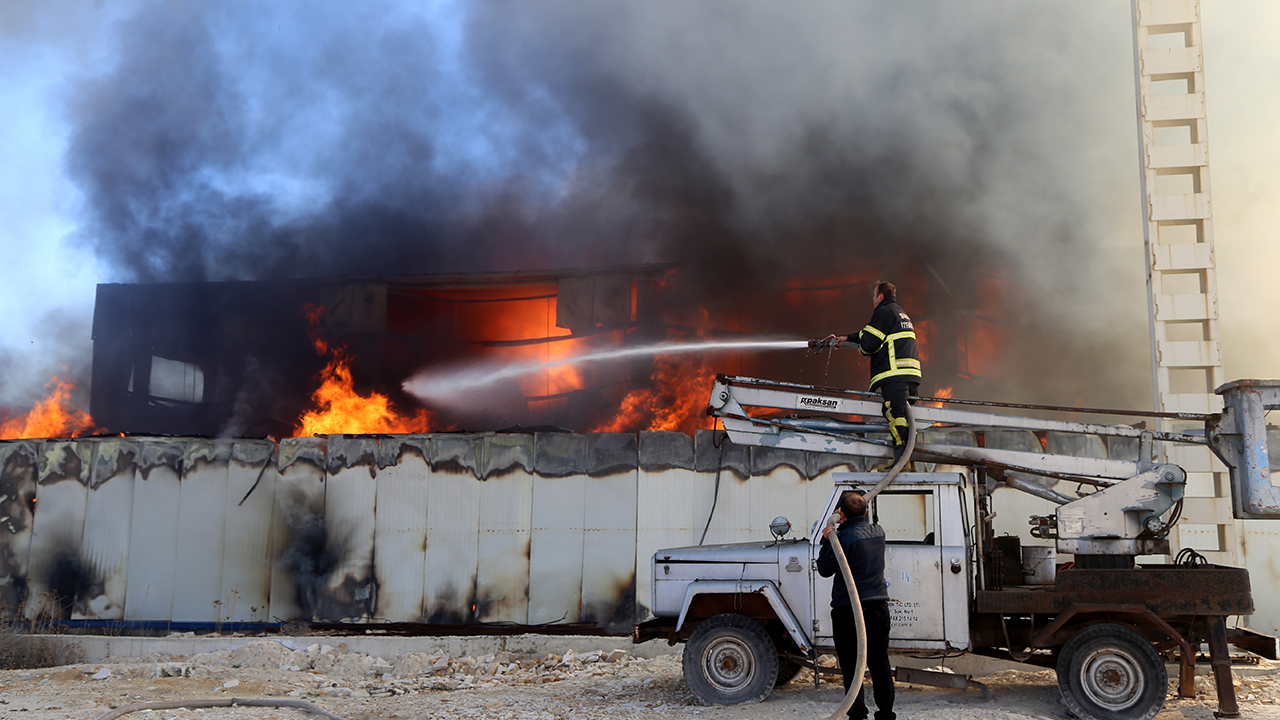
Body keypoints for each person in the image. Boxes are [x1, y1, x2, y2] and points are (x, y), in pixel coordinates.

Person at [812, 281, 921, 467]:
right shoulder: (899, 312)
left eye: (873, 295)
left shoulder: (883, 312)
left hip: (894, 375)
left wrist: (862, 348)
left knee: (896, 415)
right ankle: (906, 462)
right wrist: (847, 339)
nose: (872, 299)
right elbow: (868, 333)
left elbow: (870, 343)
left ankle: (902, 463)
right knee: (901, 415)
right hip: (908, 375)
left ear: (880, 297)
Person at [816, 490, 895, 720]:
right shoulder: (879, 532)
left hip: (848, 610)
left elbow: (824, 568)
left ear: (840, 514)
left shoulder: (841, 539)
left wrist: (826, 538)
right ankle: (886, 713)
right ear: (867, 511)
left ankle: (857, 714)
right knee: (879, 662)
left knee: (852, 664)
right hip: (879, 607)